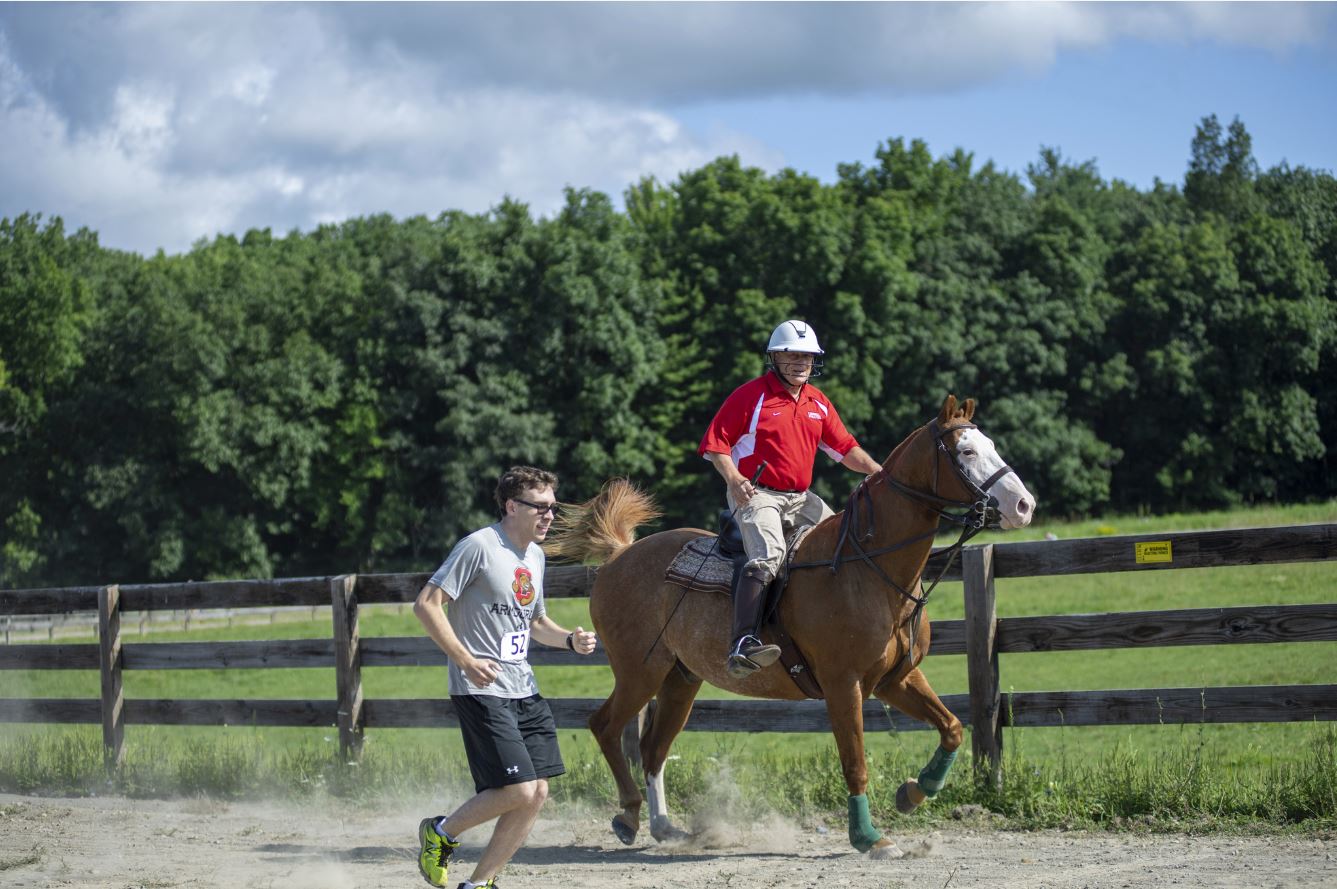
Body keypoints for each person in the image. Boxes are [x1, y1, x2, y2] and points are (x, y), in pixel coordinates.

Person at [414, 465, 597, 889]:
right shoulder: (479, 546)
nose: (550, 516)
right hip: (480, 687)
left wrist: (570, 639)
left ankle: (479, 884)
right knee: (517, 789)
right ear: (512, 506)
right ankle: (439, 833)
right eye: (541, 507)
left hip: (524, 687)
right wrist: (464, 659)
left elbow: (535, 622)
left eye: (553, 507)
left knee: (537, 793)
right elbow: (426, 604)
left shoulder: (534, 555)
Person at [699, 320, 883, 679]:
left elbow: (845, 449)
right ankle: (743, 643)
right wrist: (734, 480)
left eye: (808, 356)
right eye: (793, 355)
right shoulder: (750, 396)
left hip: (801, 498)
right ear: (775, 358)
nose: (801, 362)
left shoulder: (818, 402)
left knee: (846, 544)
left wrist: (881, 474)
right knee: (769, 555)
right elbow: (715, 444)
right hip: (756, 492)